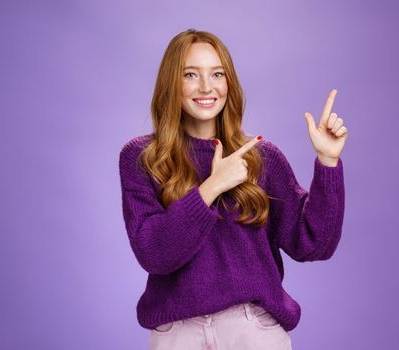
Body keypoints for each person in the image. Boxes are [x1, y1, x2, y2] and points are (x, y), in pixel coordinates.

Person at [118, 28, 348, 350]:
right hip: (177, 336)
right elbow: (155, 253)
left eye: (217, 74)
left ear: (229, 83)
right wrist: (211, 187)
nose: (206, 87)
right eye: (190, 74)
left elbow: (313, 243)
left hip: (252, 331)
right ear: (172, 83)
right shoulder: (142, 158)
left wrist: (327, 162)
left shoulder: (261, 157)